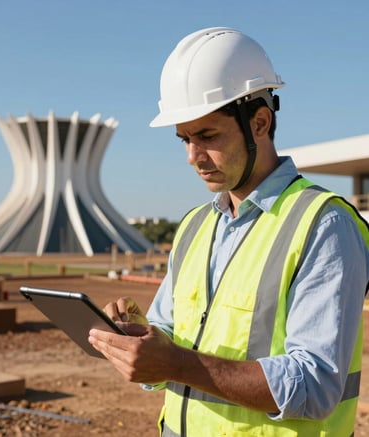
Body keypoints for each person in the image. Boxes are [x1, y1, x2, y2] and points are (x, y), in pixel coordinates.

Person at [88, 27, 369, 436]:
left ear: (259, 122)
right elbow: (173, 336)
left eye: (207, 136)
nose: (192, 157)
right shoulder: (196, 226)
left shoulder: (324, 225)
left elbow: (315, 385)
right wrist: (144, 338)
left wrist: (174, 363)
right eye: (184, 139)